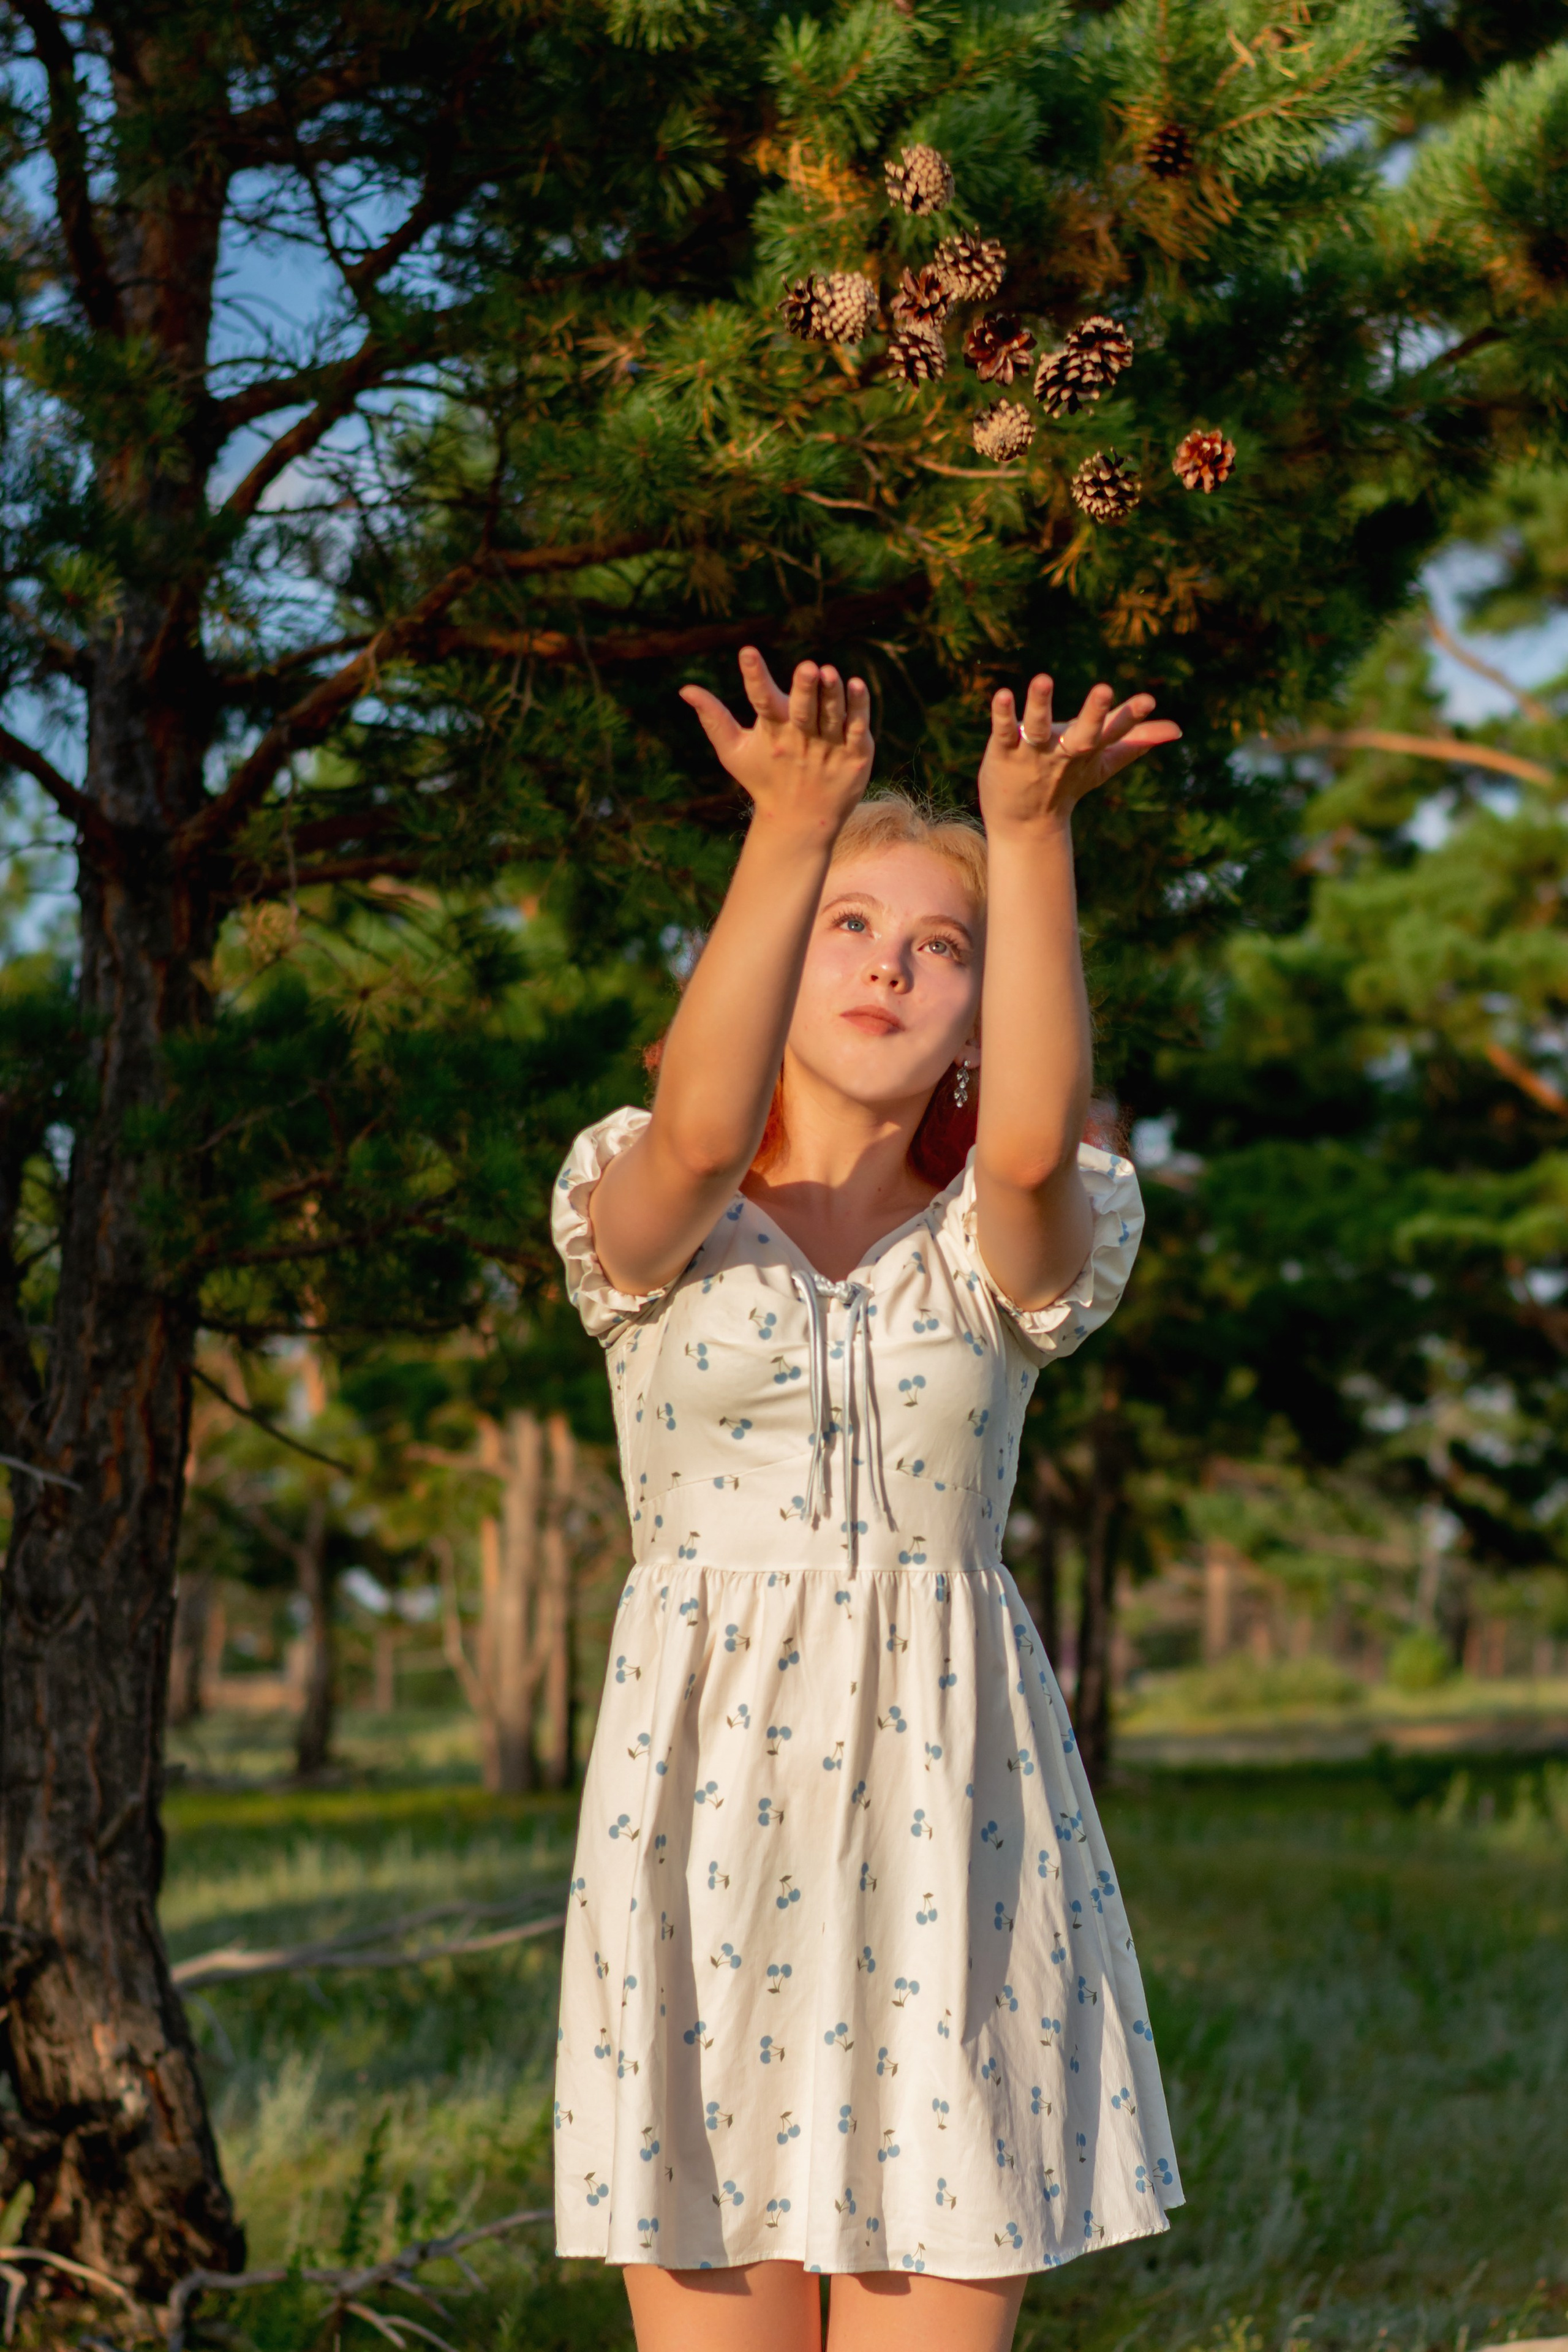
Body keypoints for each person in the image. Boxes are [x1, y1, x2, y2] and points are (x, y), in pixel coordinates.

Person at [549, 647, 1186, 2352]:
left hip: (947, 1821)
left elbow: (1037, 1152)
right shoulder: (643, 1206)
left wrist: (1027, 832)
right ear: (774, 956)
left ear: (987, 1009)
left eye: (940, 947)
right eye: (850, 927)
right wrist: (791, 825)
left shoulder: (1014, 1240)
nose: (891, 966)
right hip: (700, 1827)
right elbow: (698, 1130)